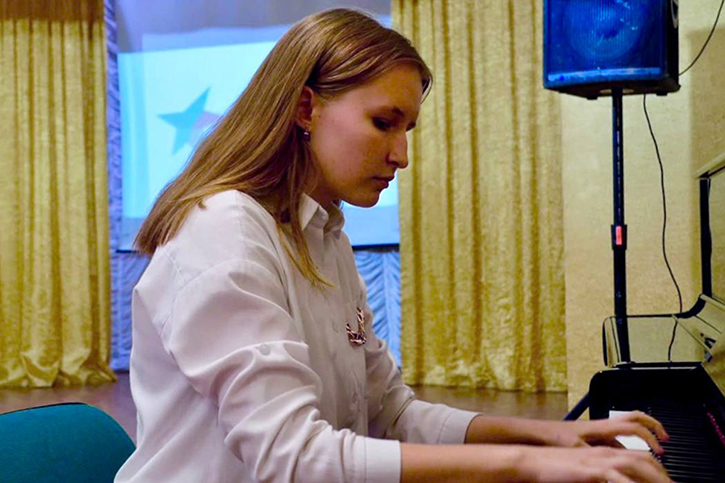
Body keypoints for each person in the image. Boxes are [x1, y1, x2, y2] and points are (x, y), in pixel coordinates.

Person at [115, 8, 672, 483]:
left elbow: (393, 414)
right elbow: (295, 458)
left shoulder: (324, 236)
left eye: (407, 130)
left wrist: (552, 437)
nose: (401, 156)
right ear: (306, 108)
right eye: (384, 123)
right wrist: (529, 464)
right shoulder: (223, 230)